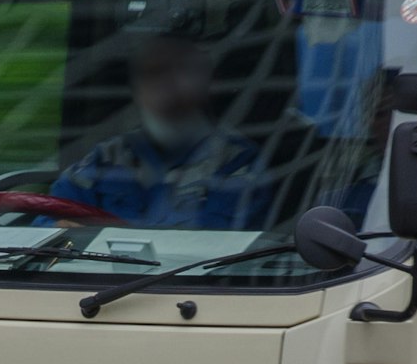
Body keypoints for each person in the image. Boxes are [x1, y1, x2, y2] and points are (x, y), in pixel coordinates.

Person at [51, 24, 281, 230]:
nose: (165, 83)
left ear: (205, 82)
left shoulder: (237, 162)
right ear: (136, 88)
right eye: (152, 73)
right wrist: (57, 226)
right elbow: (48, 216)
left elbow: (226, 251)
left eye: (179, 71)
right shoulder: (107, 157)